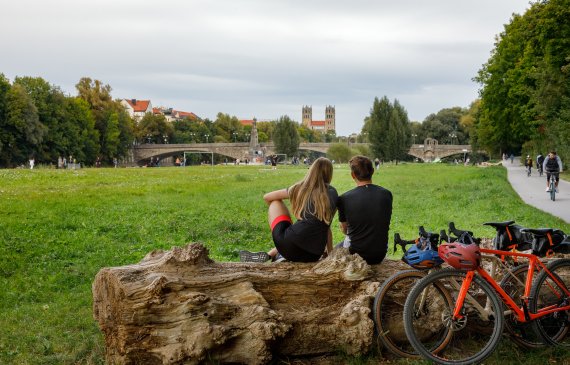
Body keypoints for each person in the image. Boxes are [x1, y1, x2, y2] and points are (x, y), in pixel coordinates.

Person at [240, 157, 338, 263]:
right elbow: (327, 228)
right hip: (313, 255)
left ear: (312, 170)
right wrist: (330, 253)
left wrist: (283, 226)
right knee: (308, 232)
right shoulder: (332, 193)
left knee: (275, 202)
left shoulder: (299, 187)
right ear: (329, 174)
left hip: (288, 246)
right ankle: (272, 253)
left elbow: (267, 197)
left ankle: (279, 252)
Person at [336, 155, 392, 265]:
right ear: (372, 171)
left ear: (353, 175)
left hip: (356, 254)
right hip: (379, 254)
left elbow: (344, 229)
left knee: (334, 250)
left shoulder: (344, 198)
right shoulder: (386, 194)